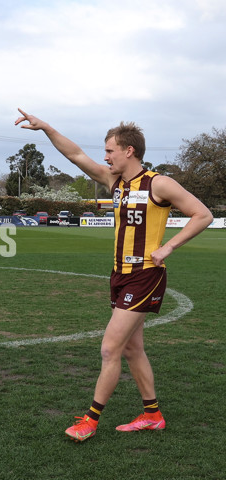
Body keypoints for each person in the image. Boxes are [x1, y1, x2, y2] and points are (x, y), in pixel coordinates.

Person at [15, 109, 213, 442]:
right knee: (132, 349)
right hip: (119, 275)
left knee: (110, 349)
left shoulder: (158, 183)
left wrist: (168, 248)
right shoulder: (114, 182)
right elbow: (75, 155)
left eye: (110, 151)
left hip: (145, 275)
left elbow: (203, 214)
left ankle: (90, 421)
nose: (105, 157)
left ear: (129, 151)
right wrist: (47, 128)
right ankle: (152, 415)